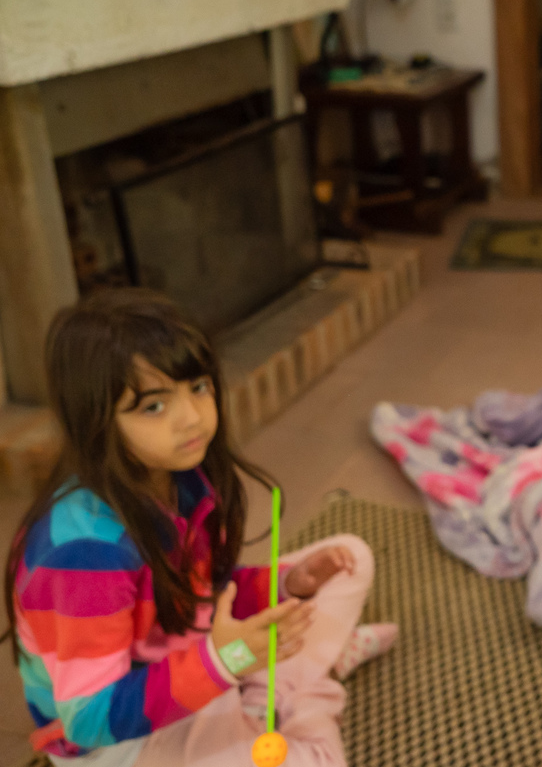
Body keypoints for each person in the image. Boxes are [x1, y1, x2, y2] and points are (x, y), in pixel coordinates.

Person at [4, 288, 397, 767]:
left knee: (352, 557)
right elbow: (89, 719)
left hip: (192, 661)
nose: (191, 418)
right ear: (96, 422)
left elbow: (204, 594)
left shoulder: (182, 479)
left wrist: (288, 584)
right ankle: (308, 689)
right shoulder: (83, 555)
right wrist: (225, 661)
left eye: (198, 387)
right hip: (120, 744)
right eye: (153, 406)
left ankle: (269, 688)